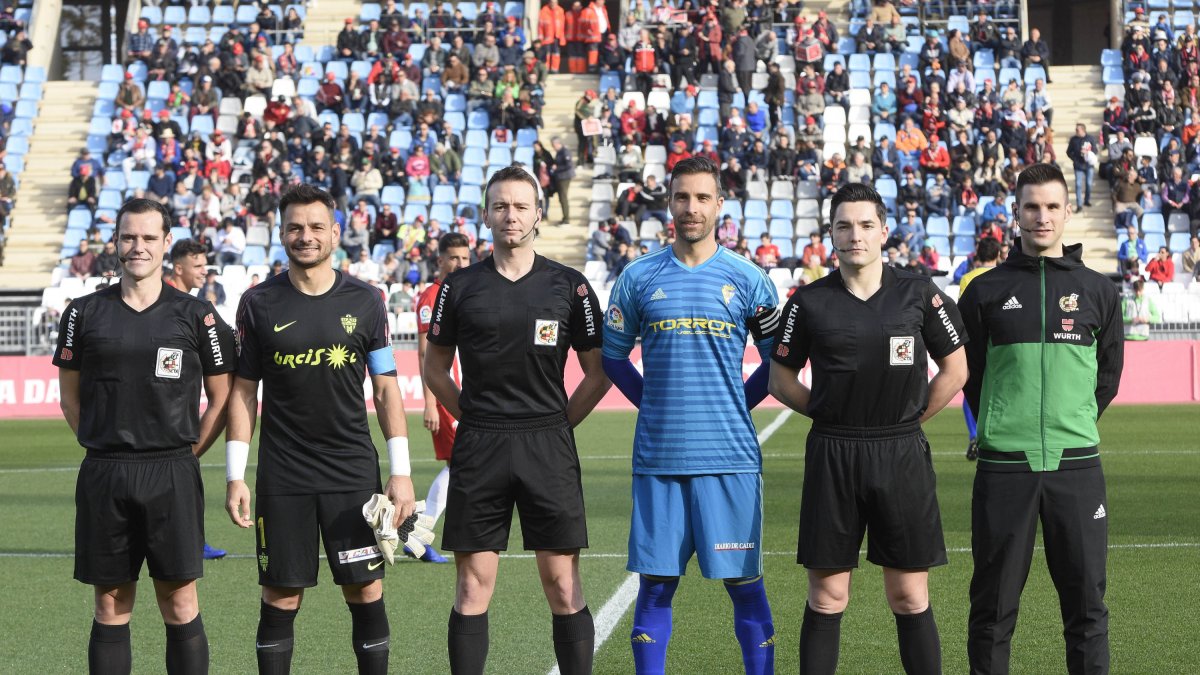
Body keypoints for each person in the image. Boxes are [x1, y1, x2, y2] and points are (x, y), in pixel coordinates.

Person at [769, 182, 969, 675]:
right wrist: (829, 414)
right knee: (827, 595)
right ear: (830, 235)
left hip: (900, 453)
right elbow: (780, 380)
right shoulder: (808, 301)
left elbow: (956, 370)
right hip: (833, 455)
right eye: (843, 225)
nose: (854, 235)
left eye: (864, 225)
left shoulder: (918, 293)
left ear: (883, 231)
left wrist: (910, 419)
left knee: (908, 595)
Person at [422, 166, 610, 675]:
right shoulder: (458, 287)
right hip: (481, 444)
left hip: (547, 442)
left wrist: (557, 423)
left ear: (539, 215)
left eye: (521, 206)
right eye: (501, 206)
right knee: (471, 586)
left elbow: (598, 373)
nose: (511, 215)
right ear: (486, 215)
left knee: (563, 584)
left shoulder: (569, 287)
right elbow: (434, 369)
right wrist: (473, 417)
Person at [224, 185, 415, 674]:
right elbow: (244, 392)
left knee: (365, 589)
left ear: (335, 233)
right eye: (294, 227)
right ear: (281, 233)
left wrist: (402, 473)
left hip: (351, 472)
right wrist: (235, 475)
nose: (304, 236)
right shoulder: (257, 303)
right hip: (283, 475)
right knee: (281, 594)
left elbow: (386, 388)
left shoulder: (368, 301)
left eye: (315, 227)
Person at [601, 156, 779, 674]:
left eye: (703, 198)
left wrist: (734, 405)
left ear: (720, 205)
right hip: (660, 458)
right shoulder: (637, 278)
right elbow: (612, 357)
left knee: (745, 585)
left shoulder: (750, 279)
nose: (691, 207)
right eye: (682, 197)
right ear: (669, 202)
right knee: (656, 587)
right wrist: (651, 402)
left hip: (730, 458)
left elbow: (778, 364)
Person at [53, 198, 236, 675]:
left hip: (172, 470)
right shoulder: (82, 313)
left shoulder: (196, 314)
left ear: (166, 243)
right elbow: (70, 399)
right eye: (129, 237)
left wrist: (184, 454)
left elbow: (222, 398)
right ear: (116, 242)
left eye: (148, 238)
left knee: (180, 603)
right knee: (110, 607)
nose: (138, 247)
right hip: (106, 472)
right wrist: (102, 442)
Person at [958, 163, 1124, 675]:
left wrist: (1071, 423)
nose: (1042, 217)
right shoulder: (984, 291)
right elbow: (972, 376)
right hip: (1005, 468)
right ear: (1016, 212)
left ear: (1068, 211)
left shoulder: (1099, 290)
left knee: (1087, 608)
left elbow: (1108, 378)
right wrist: (1004, 422)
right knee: (992, 609)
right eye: (1032, 206)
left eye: (1053, 206)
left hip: (1077, 468)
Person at [411, 232, 473, 564]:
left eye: (465, 258)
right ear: (440, 261)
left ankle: (418, 530)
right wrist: (431, 402)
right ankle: (417, 529)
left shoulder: (459, 293)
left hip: (462, 393)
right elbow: (425, 354)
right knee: (461, 463)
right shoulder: (432, 297)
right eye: (454, 258)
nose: (460, 264)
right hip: (445, 395)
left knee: (463, 463)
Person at [957, 237, 1001, 461]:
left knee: (971, 386)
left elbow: (963, 313)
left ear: (978, 255)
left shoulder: (967, 279)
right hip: (999, 342)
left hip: (974, 343)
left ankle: (974, 434)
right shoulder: (1004, 277)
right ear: (998, 255)